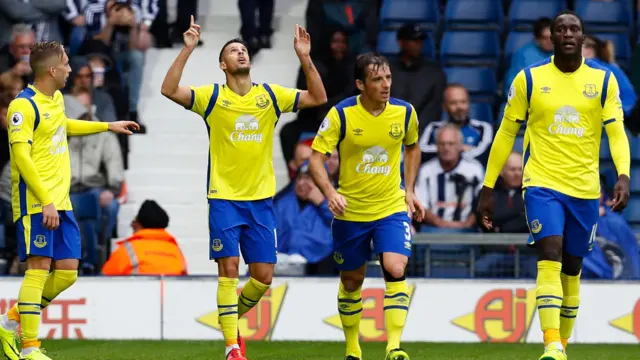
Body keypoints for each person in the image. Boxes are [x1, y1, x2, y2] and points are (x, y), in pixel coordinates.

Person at [160, 16, 326, 360]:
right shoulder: (212, 96)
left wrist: (304, 57)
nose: (240, 53)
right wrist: (187, 49)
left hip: (261, 201)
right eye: (233, 51)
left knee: (263, 277)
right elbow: (169, 90)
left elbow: (318, 96)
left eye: (244, 50)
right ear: (222, 64)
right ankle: (232, 347)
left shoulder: (270, 95)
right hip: (224, 199)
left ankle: (228, 318)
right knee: (229, 269)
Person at [477, 11, 630, 360]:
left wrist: (623, 174)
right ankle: (551, 344)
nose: (567, 34)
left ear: (582, 37)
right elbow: (505, 133)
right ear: (551, 38)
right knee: (550, 254)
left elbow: (617, 133)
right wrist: (488, 187)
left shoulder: (603, 81)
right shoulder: (528, 79)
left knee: (572, 268)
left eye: (574, 28)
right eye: (560, 29)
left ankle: (561, 343)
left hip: (585, 188)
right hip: (542, 183)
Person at [0, 41, 138, 360]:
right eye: (66, 64)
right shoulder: (23, 106)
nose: (71, 69)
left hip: (61, 200)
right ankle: (29, 348)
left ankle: (9, 323)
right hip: (37, 202)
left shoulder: (57, 99)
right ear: (52, 69)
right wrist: (46, 200)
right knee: (38, 269)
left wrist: (107, 126)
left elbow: (62, 127)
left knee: (67, 272)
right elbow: (21, 157)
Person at [309, 53, 424, 360]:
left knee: (395, 267)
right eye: (377, 79)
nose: (386, 85)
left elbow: (413, 148)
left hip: (390, 207)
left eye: (387, 77)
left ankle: (394, 346)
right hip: (351, 212)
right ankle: (353, 349)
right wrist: (330, 192)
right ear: (360, 84)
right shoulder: (341, 115)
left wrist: (409, 190)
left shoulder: (404, 113)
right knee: (351, 280)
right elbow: (315, 159)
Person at [102, 199, 187, 276]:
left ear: (138, 224)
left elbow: (105, 279)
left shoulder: (128, 249)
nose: (131, 226)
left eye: (134, 223)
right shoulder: (176, 250)